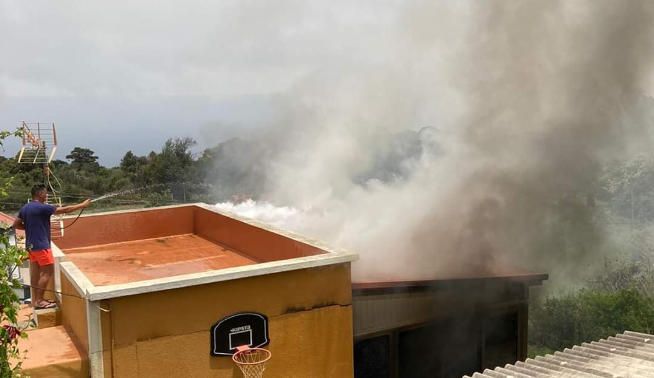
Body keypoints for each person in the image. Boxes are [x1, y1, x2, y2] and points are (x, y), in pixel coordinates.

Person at [13, 185, 91, 309]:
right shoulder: (43, 208)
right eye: (45, 193)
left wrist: (29, 228)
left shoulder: (25, 208)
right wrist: (82, 205)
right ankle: (39, 301)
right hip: (41, 246)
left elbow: (16, 224)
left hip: (31, 246)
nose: (47, 196)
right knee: (47, 272)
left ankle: (36, 299)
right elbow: (65, 210)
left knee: (35, 274)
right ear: (39, 194)